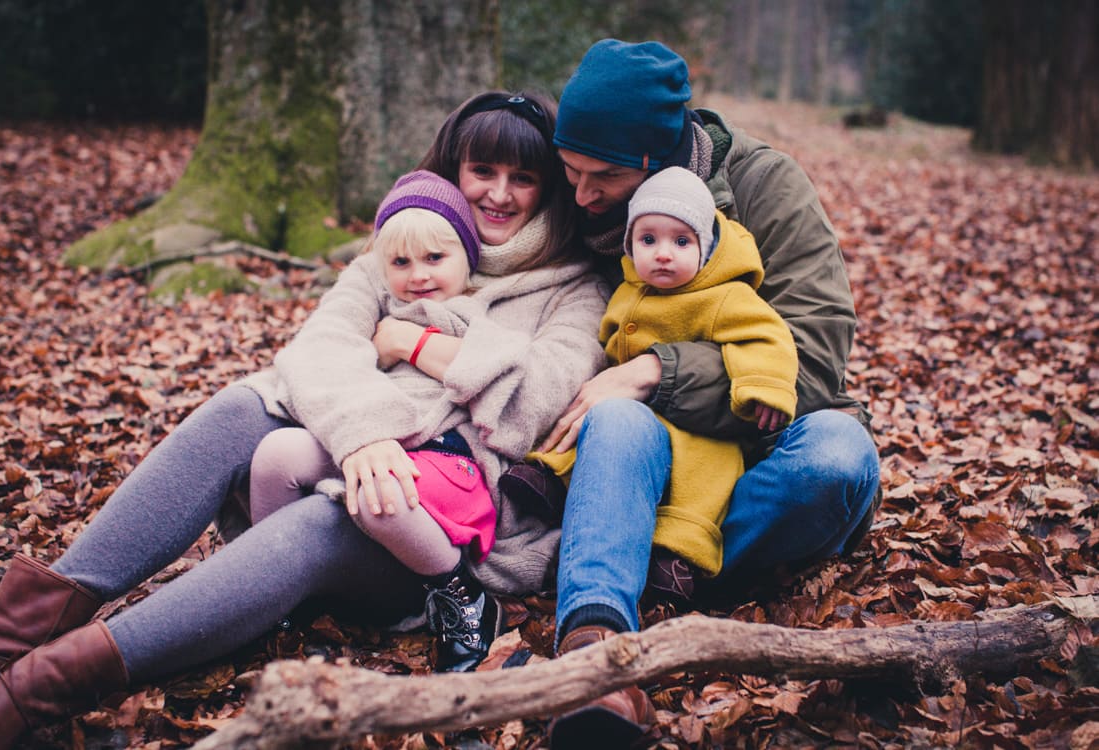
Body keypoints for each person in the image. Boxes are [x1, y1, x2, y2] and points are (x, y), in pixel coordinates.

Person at [0, 90, 609, 748]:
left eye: (523, 177)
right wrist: (364, 434)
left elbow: (533, 400)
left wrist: (404, 343)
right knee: (240, 407)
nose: (499, 194)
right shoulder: (404, 243)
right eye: (484, 172)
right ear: (455, 169)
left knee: (331, 512)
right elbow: (316, 351)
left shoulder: (572, 287)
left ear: (547, 190)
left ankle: (37, 692)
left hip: (440, 534)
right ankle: (3, 643)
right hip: (344, 458)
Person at [500, 40, 882, 749]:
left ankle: (648, 561)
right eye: (569, 170)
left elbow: (815, 358)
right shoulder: (574, 190)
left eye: (605, 177)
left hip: (757, 450)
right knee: (614, 418)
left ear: (665, 163)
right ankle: (595, 658)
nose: (580, 195)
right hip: (632, 453)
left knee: (836, 459)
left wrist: (655, 369)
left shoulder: (767, 186)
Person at [250, 169, 505, 673]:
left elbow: (505, 372)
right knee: (274, 456)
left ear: (467, 257)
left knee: (379, 494)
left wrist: (409, 344)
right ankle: (279, 596)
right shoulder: (378, 307)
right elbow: (323, 354)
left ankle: (464, 596)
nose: (419, 275)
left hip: (447, 458)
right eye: (401, 262)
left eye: (436, 258)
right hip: (379, 439)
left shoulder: (482, 308)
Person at [527, 166, 797, 606]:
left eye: (681, 241)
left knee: (696, 494)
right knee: (590, 429)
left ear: (705, 247)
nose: (663, 254)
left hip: (699, 431)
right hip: (632, 418)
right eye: (648, 240)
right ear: (630, 245)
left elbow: (768, 338)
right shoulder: (629, 291)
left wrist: (764, 387)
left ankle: (676, 559)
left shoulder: (724, 296)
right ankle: (548, 475)